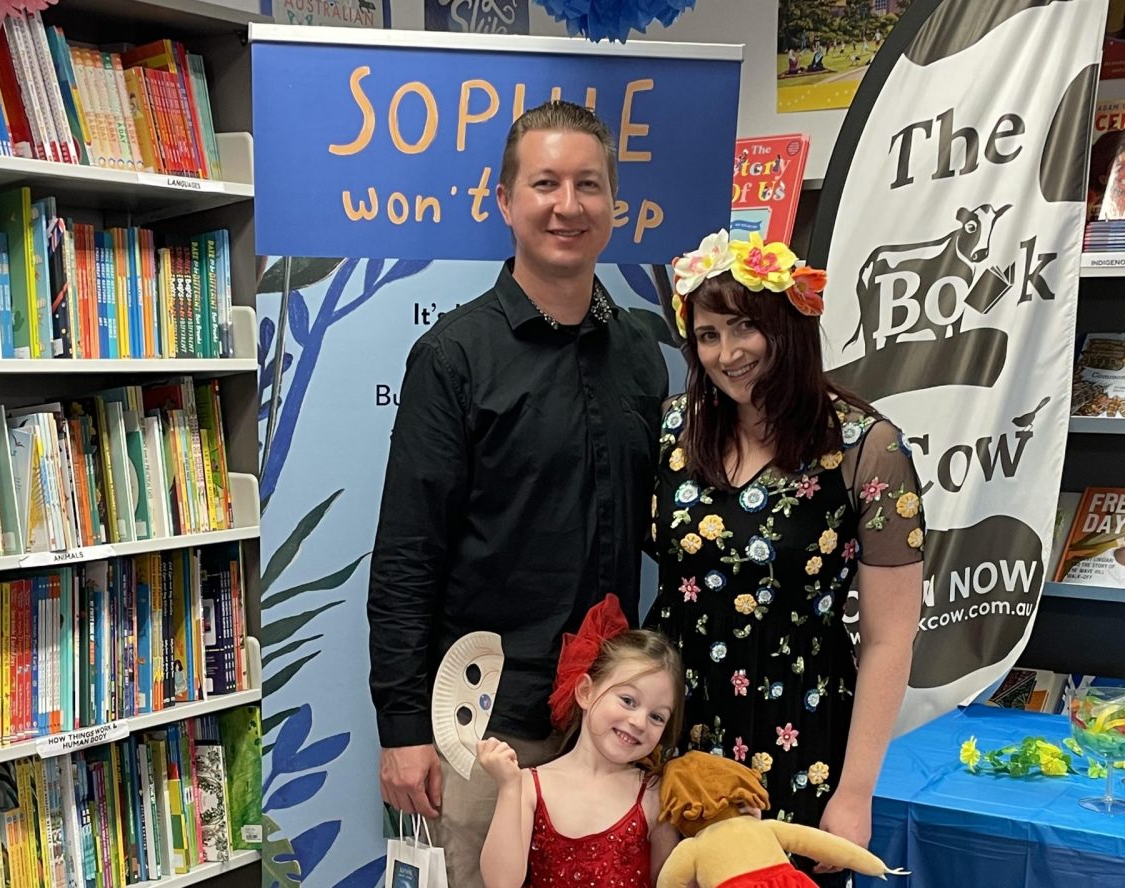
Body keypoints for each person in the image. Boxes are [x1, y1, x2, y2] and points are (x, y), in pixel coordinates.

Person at [367, 100, 668, 887]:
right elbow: (407, 553)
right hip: (487, 724)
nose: (567, 206)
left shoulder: (641, 350)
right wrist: (402, 729)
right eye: (544, 183)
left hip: (613, 718)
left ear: (614, 206)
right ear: (503, 201)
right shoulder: (453, 356)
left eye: (588, 185)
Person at [646, 231, 924, 887]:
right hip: (676, 729)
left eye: (745, 327)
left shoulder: (866, 448)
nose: (726, 353)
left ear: (790, 326)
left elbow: (891, 638)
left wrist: (855, 793)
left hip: (801, 733)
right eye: (708, 335)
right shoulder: (672, 431)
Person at [476, 594, 683, 888]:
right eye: (627, 700)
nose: (639, 722)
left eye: (657, 717)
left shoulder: (654, 794)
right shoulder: (528, 786)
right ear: (585, 692)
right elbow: (501, 883)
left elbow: (672, 882)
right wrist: (508, 787)